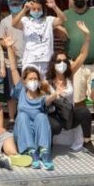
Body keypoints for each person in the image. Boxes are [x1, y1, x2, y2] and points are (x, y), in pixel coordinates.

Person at [45, 30, 94, 156]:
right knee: (54, 125)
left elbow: (83, 54)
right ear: (53, 64)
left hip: (69, 115)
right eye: (58, 61)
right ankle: (47, 143)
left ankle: (87, 142)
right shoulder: (46, 82)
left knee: (84, 111)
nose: (62, 64)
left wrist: (87, 36)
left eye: (64, 61)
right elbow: (43, 103)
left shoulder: (69, 76)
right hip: (55, 116)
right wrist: (54, 94)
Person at [5, 39, 55, 169]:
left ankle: (44, 152)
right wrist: (10, 48)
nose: (33, 81)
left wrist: (55, 94)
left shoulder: (42, 95)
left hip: (38, 132)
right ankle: (31, 152)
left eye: (35, 79)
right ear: (24, 81)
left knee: (42, 116)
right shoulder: (21, 90)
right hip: (23, 132)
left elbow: (48, 100)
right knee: (22, 116)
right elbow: (14, 69)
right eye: (30, 79)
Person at [9, 0, 60, 77]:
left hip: (46, 60)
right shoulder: (25, 20)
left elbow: (63, 19)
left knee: (46, 86)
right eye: (34, 9)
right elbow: (14, 24)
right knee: (31, 85)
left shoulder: (48, 20)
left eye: (39, 9)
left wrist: (54, 7)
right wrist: (24, 9)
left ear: (43, 9)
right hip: (30, 60)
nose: (36, 11)